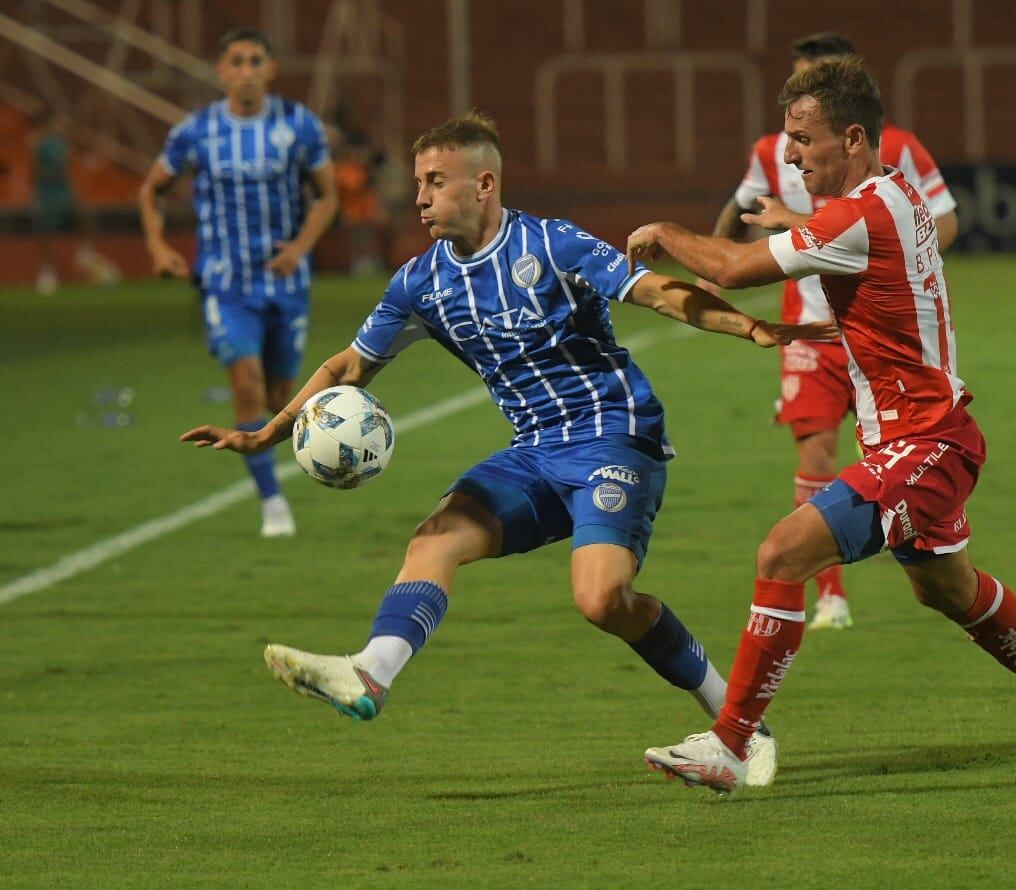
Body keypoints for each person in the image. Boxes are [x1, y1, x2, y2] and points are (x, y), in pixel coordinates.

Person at [180, 112, 835, 787]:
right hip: (533, 452)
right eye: (418, 183)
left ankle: (741, 725)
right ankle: (370, 673)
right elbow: (350, 366)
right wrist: (269, 431)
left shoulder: (551, 247)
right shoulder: (420, 282)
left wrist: (749, 328)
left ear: (483, 183)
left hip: (613, 434)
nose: (421, 197)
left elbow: (659, 293)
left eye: (436, 181)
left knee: (603, 601)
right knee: (435, 538)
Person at [631, 56, 1016, 794]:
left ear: (851, 138)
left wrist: (664, 232)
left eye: (801, 138)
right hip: (929, 434)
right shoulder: (894, 194)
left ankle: (728, 741)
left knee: (782, 553)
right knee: (945, 590)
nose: (787, 154)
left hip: (926, 444)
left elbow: (728, 268)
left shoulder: (856, 217)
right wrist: (802, 224)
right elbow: (853, 243)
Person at [702, 31, 959, 631]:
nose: (794, 142)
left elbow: (937, 219)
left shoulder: (897, 152)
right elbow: (744, 208)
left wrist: (910, 275)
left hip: (885, 338)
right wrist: (732, 242)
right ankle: (831, 596)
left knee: (937, 570)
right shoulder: (772, 151)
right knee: (816, 452)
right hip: (809, 330)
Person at [140, 27, 339, 537]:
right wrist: (160, 247)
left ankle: (332, 458)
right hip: (227, 286)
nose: (246, 70)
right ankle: (273, 503)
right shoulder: (197, 131)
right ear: (222, 71)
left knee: (281, 397)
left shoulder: (299, 125)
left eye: (255, 61)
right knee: (247, 386)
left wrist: (298, 248)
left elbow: (327, 197)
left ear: (270, 70)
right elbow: (152, 191)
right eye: (237, 61)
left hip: (285, 284)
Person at [30, 108, 120, 295]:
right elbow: (37, 170)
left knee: (84, 215)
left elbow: (69, 165)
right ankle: (47, 272)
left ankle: (84, 251)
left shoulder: (62, 143)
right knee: (45, 233)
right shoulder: (38, 143)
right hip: (46, 192)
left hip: (63, 189)